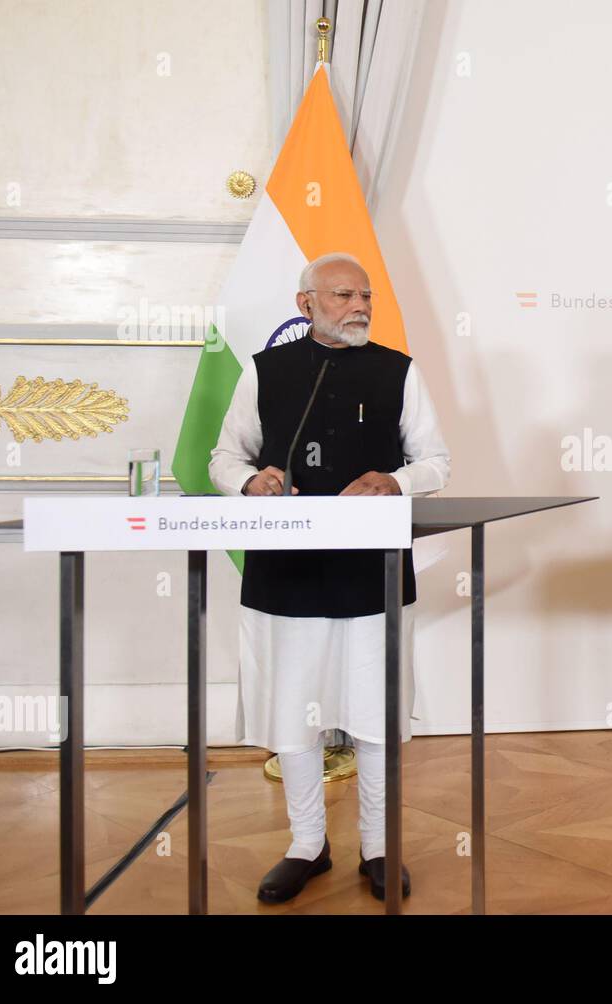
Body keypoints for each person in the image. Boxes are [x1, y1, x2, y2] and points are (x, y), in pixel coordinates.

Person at [209, 252, 450, 903]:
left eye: (365, 295)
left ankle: (377, 846)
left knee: (373, 714)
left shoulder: (398, 370)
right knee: (293, 713)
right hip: (285, 573)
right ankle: (307, 845)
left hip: (369, 574)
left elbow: (436, 461)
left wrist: (395, 480)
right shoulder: (266, 372)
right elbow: (223, 456)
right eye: (343, 295)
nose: (360, 306)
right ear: (305, 304)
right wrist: (249, 479)